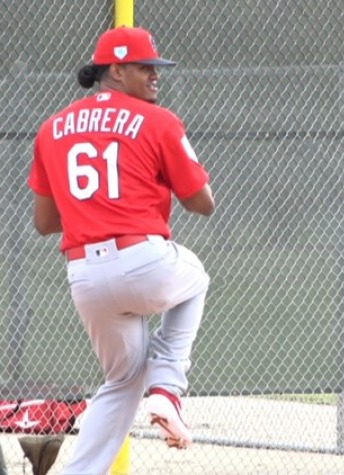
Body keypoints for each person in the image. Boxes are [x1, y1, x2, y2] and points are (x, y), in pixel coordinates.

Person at [27, 26, 215, 474]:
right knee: (196, 278)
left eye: (156, 68)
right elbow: (202, 203)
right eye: (144, 67)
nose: (155, 76)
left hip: (85, 278)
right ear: (115, 69)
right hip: (142, 260)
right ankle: (168, 390)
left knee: (122, 380)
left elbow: (43, 222)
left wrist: (89, 206)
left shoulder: (52, 128)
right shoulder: (158, 120)